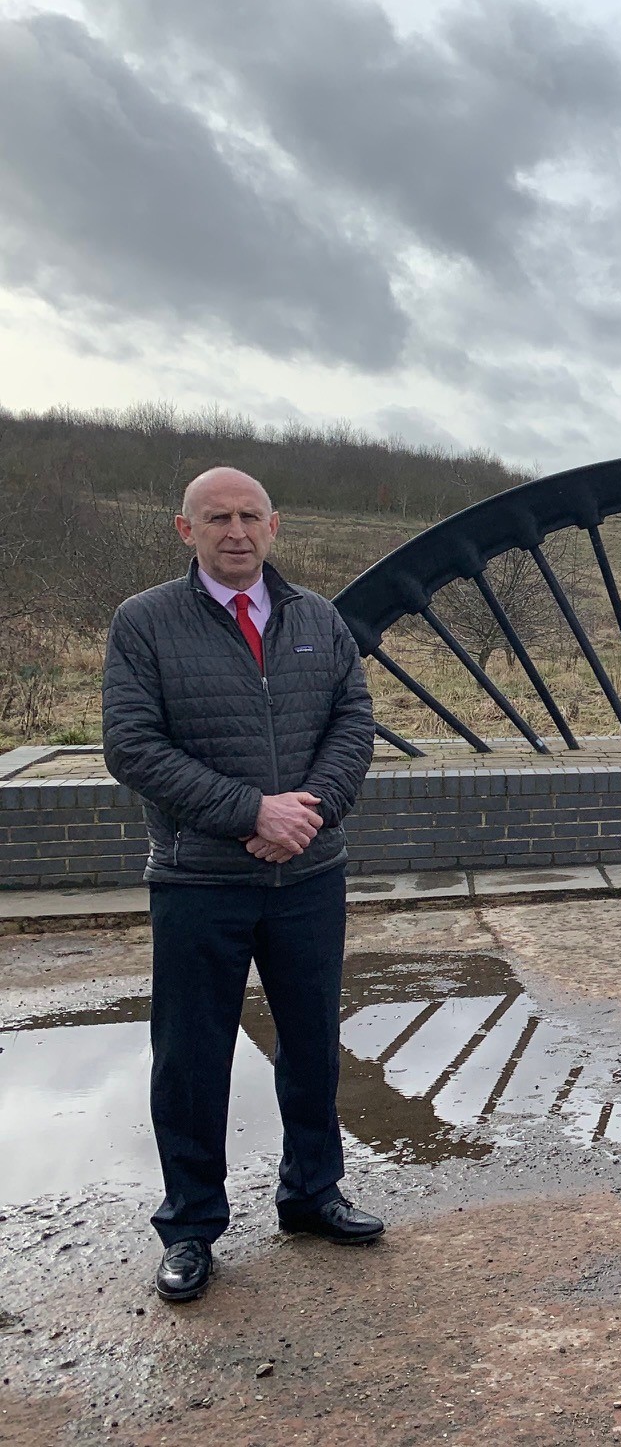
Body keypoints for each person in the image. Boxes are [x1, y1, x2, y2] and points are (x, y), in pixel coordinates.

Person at [101, 467, 382, 1303]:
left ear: (274, 527)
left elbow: (353, 722)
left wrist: (309, 813)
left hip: (310, 875)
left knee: (311, 1045)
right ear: (184, 530)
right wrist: (250, 812)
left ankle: (311, 1193)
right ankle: (190, 1227)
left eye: (249, 516)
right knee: (190, 1059)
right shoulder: (144, 623)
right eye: (216, 518)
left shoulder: (316, 618)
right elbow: (133, 747)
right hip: (198, 880)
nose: (236, 531)